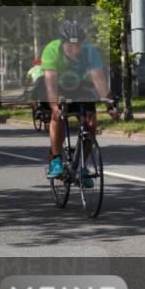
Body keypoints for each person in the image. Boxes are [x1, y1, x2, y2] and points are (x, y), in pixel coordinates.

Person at [42, 20, 117, 182]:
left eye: (78, 45)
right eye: (70, 45)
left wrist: (110, 105)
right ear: (62, 43)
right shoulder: (52, 50)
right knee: (58, 116)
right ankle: (56, 159)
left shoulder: (90, 51)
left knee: (90, 124)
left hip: (81, 86)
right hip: (59, 85)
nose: (74, 49)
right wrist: (54, 107)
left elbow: (98, 78)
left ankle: (82, 165)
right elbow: (50, 83)